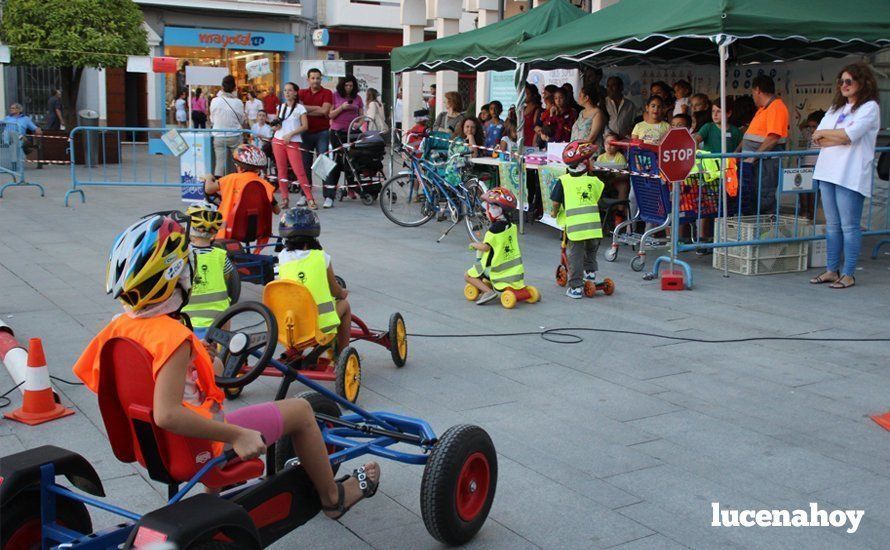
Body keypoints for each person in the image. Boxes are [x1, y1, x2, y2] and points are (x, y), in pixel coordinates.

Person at [73, 213, 380, 517]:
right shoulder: (174, 338)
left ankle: (214, 505)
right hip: (199, 447)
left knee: (227, 408)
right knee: (301, 411)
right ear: (179, 277)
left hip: (154, 447)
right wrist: (237, 436)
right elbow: (167, 413)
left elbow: (135, 387)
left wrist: (200, 364)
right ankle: (333, 498)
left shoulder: (116, 329)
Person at [808, 62, 880, 290]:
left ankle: (848, 273)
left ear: (862, 82)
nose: (844, 85)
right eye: (841, 81)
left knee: (849, 226)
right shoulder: (835, 108)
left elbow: (849, 135)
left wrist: (829, 135)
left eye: (849, 81)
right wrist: (833, 136)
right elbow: (816, 138)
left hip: (850, 173)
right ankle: (832, 269)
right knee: (832, 225)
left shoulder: (869, 107)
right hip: (827, 171)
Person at [278, 208, 352, 352]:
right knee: (345, 305)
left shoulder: (282, 258)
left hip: (291, 325)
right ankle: (342, 353)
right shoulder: (321, 257)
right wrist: (342, 293)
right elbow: (334, 290)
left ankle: (295, 352)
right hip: (320, 325)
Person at [550, 141, 604, 299]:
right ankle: (591, 273)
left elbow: (555, 202)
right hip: (593, 226)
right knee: (591, 249)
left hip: (575, 228)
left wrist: (554, 213)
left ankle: (576, 287)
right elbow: (597, 196)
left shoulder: (564, 181)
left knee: (575, 255)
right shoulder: (593, 181)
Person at [180, 202, 235, 338]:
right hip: (220, 319)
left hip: (187, 320)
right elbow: (229, 279)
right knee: (218, 354)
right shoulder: (221, 255)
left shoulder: (183, 256)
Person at [203, 144, 281, 236]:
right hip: (256, 229)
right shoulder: (264, 185)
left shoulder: (230, 178)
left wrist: (208, 177)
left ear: (240, 167)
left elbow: (208, 189)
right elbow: (277, 210)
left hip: (229, 227)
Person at [465, 187, 525, 305]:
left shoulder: (493, 230)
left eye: (488, 209)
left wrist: (473, 244)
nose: (486, 212)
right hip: (514, 270)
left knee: (468, 275)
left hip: (495, 269)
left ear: (496, 210)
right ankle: (487, 284)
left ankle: (488, 292)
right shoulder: (511, 226)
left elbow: (485, 247)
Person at [741, 74, 789, 213]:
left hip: (765, 163)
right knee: (754, 198)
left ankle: (766, 232)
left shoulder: (777, 107)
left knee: (764, 199)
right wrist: (736, 153)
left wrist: (754, 157)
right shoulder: (763, 109)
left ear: (757, 90)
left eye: (752, 93)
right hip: (755, 164)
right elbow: (750, 135)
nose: (753, 97)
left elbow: (773, 137)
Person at [271, 82, 313, 209]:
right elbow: (277, 125)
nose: (287, 93)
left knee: (299, 171)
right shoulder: (280, 107)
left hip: (293, 141)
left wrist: (291, 134)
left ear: (295, 93)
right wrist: (275, 126)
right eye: (285, 90)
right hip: (278, 140)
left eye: (290, 90)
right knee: (281, 170)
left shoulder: (300, 108)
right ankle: (285, 198)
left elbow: (305, 126)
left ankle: (310, 198)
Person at [326, 75, 364, 207]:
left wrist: (358, 124)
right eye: (346, 85)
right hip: (337, 131)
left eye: (351, 86)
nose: (349, 88)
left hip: (352, 132)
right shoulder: (335, 96)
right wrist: (341, 107)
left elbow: (362, 116)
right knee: (338, 160)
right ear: (342, 85)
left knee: (352, 159)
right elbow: (330, 115)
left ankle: (351, 186)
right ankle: (334, 188)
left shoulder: (357, 98)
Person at [299, 68, 334, 206]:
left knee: (323, 163)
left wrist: (305, 110)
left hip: (322, 133)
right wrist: (317, 109)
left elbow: (325, 110)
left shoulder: (327, 93)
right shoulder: (301, 92)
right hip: (305, 133)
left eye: (318, 78)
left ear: (321, 79)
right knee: (305, 165)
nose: (315, 80)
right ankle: (305, 195)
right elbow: (298, 109)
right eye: (313, 78)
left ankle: (329, 196)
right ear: (308, 79)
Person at [209, 75, 246, 177]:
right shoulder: (239, 103)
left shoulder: (215, 101)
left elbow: (212, 119)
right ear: (234, 88)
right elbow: (242, 120)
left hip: (219, 136)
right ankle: (238, 184)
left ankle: (218, 187)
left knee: (220, 165)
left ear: (222, 87)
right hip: (235, 136)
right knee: (238, 163)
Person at [571, 82, 607, 149]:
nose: (578, 98)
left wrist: (578, 149)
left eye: (580, 95)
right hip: (576, 152)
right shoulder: (581, 112)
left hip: (589, 153)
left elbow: (592, 137)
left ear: (586, 98)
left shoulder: (597, 113)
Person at [523, 83, 543, 149]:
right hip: (522, 139)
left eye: (527, 94)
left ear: (533, 95)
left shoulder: (537, 109)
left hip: (532, 141)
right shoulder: (523, 109)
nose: (524, 96)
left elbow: (536, 128)